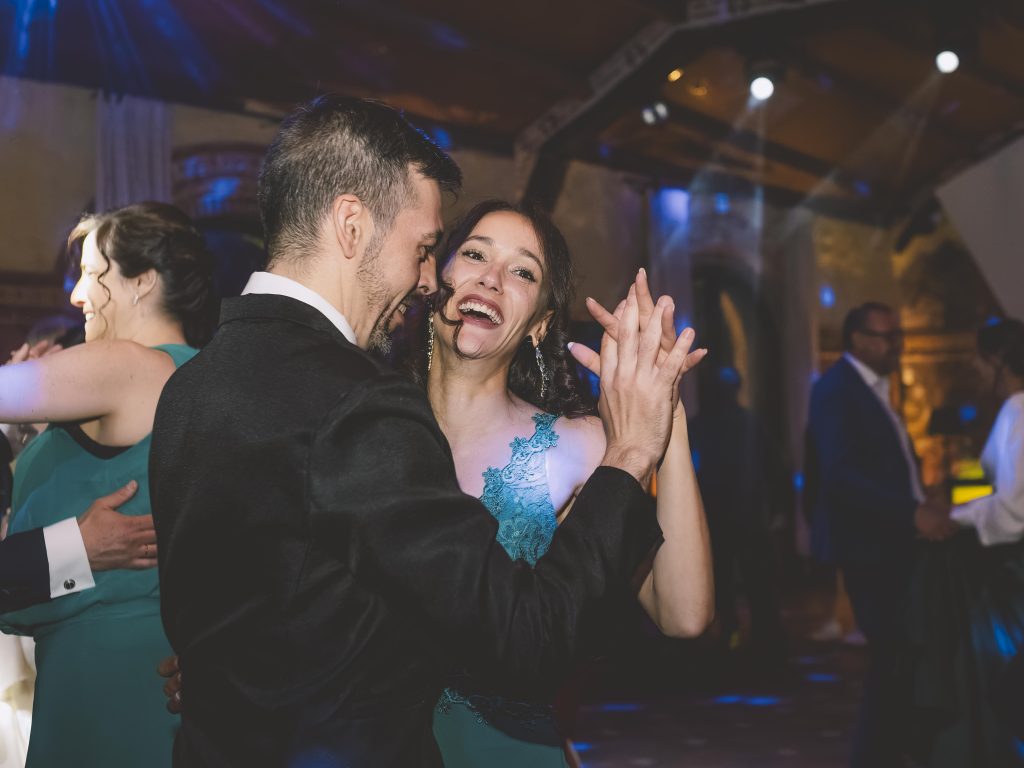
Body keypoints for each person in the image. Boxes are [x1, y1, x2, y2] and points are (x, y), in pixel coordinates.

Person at [150, 95, 693, 767]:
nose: (428, 278)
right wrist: (634, 448)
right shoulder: (361, 405)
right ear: (352, 226)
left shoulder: (186, 389)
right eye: (426, 248)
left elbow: (276, 595)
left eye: (522, 270)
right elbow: (528, 638)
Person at [398, 200, 712, 766]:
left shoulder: (581, 447)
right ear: (433, 280)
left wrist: (668, 415)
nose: (491, 278)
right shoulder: (365, 433)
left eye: (523, 272)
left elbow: (682, 614)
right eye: (474, 254)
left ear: (540, 322)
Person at [0, 202, 216, 767]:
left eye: (93, 273)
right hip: (108, 666)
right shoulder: (187, 377)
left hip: (108, 679)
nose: (76, 295)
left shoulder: (132, 365)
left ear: (142, 281)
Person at [806, 301, 927, 768]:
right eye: (887, 337)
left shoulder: (872, 387)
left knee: (898, 653)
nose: (897, 346)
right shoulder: (838, 389)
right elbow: (840, 475)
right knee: (891, 653)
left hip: (892, 538)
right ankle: (877, 753)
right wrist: (910, 512)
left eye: (899, 337)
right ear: (858, 339)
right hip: (872, 543)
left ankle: (895, 748)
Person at [906, 318, 1024, 766]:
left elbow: (1013, 508)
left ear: (999, 360)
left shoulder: (1017, 411)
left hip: (1011, 568)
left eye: (980, 357)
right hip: (1008, 564)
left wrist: (953, 515)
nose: (975, 366)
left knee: (999, 678)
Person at [688, 365, 785, 661]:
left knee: (726, 580)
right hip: (744, 513)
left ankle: (733, 636)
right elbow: (775, 467)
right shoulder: (748, 422)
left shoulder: (701, 424)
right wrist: (778, 508)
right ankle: (763, 639)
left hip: (721, 514)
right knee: (752, 580)